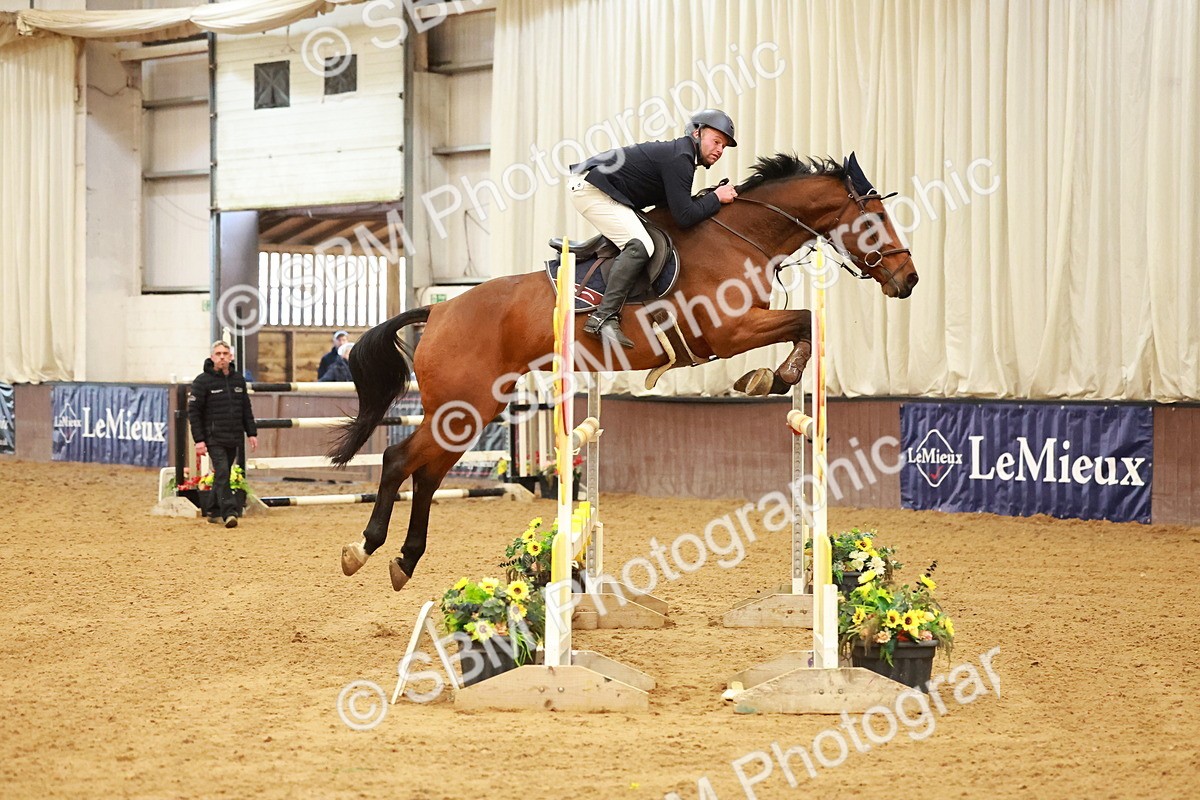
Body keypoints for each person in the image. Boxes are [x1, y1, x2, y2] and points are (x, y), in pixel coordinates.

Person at [569, 109, 739, 348]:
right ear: (698, 133)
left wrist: (710, 197)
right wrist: (716, 198)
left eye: (724, 146)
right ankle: (603, 317)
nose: (720, 150)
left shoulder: (682, 154)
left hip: (603, 190)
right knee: (640, 245)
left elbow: (675, 209)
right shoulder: (681, 158)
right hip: (591, 189)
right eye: (717, 141)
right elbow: (685, 216)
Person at [189, 340, 258, 528]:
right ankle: (229, 512)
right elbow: (194, 412)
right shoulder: (202, 381)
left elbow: (245, 407)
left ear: (231, 357)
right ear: (212, 357)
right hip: (214, 436)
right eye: (218, 354)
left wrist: (251, 432)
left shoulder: (238, 380)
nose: (222, 357)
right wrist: (199, 440)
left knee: (223, 474)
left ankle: (212, 510)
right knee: (222, 471)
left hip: (233, 435)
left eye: (225, 354)